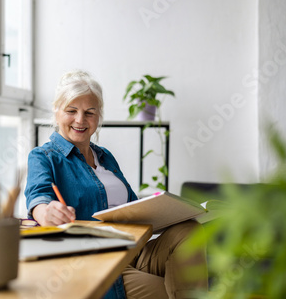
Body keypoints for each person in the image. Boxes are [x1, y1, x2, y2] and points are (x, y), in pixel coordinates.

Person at [25, 70, 208, 299]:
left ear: (98, 116)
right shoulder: (43, 157)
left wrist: (167, 211)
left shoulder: (105, 157)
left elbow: (131, 205)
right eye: (71, 111)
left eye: (89, 112)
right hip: (100, 260)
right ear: (57, 111)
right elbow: (37, 196)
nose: (80, 120)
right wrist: (44, 212)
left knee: (189, 230)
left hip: (133, 249)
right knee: (169, 291)